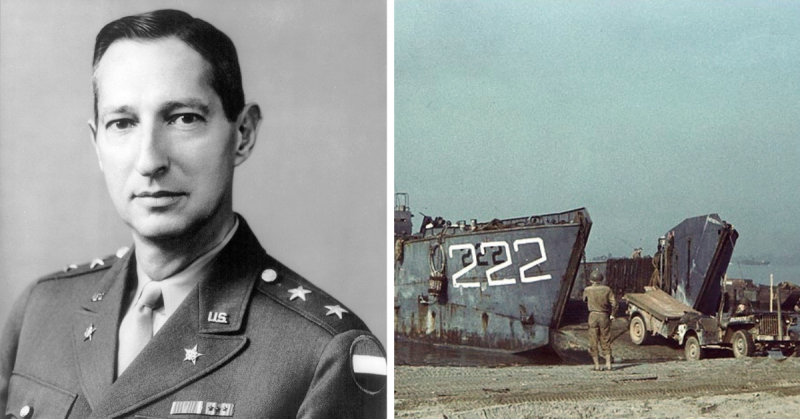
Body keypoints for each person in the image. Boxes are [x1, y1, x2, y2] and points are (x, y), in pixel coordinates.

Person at [0, 9, 385, 418]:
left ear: (243, 134)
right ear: (97, 144)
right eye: (123, 123)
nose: (150, 161)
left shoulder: (322, 353)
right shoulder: (41, 312)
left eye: (184, 118)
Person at [583, 269, 617, 371]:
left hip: (593, 315)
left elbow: (584, 300)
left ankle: (597, 366)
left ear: (591, 280)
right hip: (604, 315)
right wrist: (613, 315)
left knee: (593, 340)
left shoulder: (587, 289)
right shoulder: (607, 289)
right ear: (601, 279)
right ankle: (608, 364)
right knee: (605, 339)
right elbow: (614, 303)